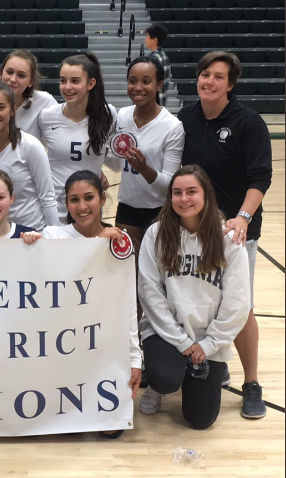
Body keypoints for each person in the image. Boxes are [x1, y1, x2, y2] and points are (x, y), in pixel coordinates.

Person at [179, 51, 272, 419]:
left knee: (240, 305)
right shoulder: (185, 118)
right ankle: (218, 363)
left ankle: (251, 383)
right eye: (204, 74)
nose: (209, 81)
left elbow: (260, 177)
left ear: (230, 85)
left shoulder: (248, 123)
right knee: (201, 298)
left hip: (234, 232)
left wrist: (243, 217)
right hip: (191, 231)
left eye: (218, 76)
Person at [21, 170, 142, 439]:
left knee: (112, 429)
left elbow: (127, 305)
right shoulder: (53, 236)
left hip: (101, 343)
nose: (82, 206)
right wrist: (29, 245)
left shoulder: (119, 242)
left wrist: (135, 358)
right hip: (60, 344)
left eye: (89, 198)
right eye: (74, 200)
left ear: (102, 198)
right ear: (66, 204)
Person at [137, 165, 250, 429]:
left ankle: (193, 373)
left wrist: (209, 344)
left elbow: (238, 303)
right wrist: (181, 341)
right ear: (170, 198)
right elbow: (150, 293)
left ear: (206, 195)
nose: (184, 199)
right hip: (166, 332)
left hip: (208, 337)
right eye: (177, 193)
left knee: (200, 420)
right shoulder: (156, 234)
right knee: (165, 377)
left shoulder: (229, 239)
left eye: (191, 192)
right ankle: (160, 382)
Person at [108, 56, 184, 256]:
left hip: (159, 211)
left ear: (159, 85)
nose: (138, 87)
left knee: (157, 272)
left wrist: (144, 169)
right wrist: (98, 152)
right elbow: (116, 165)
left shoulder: (172, 127)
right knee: (127, 270)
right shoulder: (121, 116)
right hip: (126, 207)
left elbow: (170, 184)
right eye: (132, 81)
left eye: (146, 81)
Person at [38, 53, 116, 223]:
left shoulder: (108, 114)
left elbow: (113, 161)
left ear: (91, 83)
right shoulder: (47, 116)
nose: (67, 87)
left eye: (75, 81)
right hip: (55, 207)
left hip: (89, 208)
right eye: (62, 80)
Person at [0, 83, 58, 231]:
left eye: (1, 107)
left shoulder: (31, 146)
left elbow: (48, 197)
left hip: (30, 233)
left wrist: (55, 237)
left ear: (12, 110)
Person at [0, 49, 57, 139]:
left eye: (21, 75)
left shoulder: (45, 102)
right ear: (1, 74)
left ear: (30, 81)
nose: (13, 79)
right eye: (9, 72)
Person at [144, 24, 171, 107]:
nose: (145, 40)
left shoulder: (153, 58)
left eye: (147, 37)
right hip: (162, 100)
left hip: (154, 102)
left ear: (154, 40)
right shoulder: (163, 55)